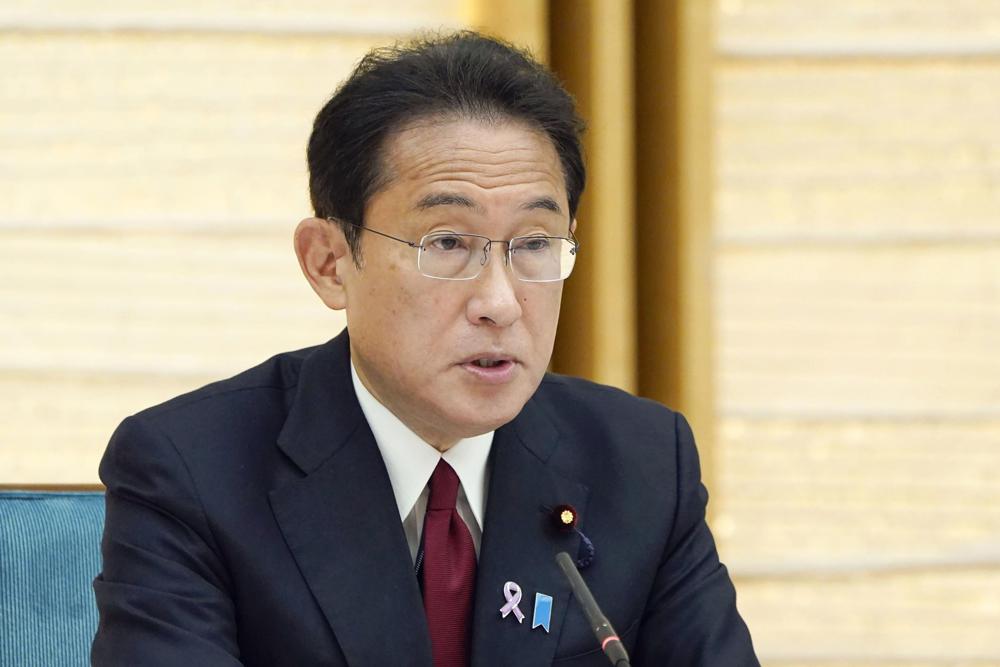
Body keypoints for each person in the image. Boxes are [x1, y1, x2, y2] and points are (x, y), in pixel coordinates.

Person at [91, 31, 758, 666]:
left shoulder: (643, 464)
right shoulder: (191, 471)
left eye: (533, 244)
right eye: (447, 243)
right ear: (329, 262)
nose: (500, 301)